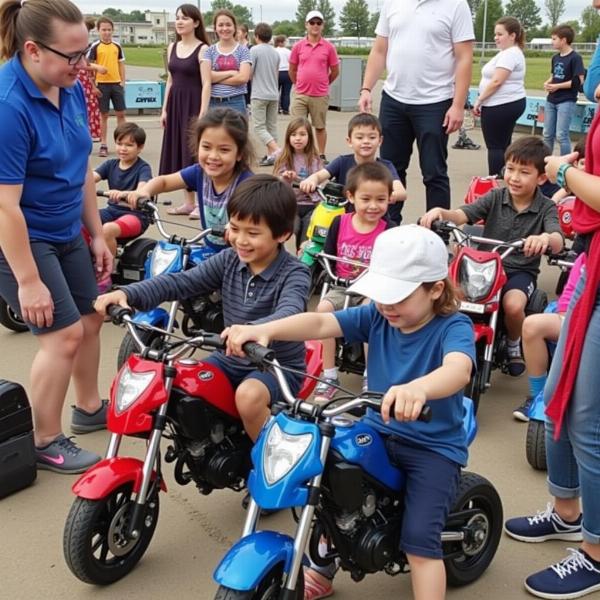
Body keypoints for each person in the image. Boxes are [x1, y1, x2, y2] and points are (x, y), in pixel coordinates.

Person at [224, 224, 476, 600]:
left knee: (421, 544)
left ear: (435, 289)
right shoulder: (378, 315)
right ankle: (322, 568)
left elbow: (459, 368)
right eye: (381, 295)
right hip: (377, 424)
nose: (387, 305)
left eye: (398, 296)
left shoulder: (453, 326)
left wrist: (418, 388)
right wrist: (266, 329)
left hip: (432, 446)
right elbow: (322, 322)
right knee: (329, 482)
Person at [94, 175, 311, 443]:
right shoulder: (229, 259)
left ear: (283, 234)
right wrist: (127, 292)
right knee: (183, 383)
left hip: (276, 365)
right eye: (235, 228)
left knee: (248, 397)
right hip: (229, 358)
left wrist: (255, 331)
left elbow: (290, 310)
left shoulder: (295, 273)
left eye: (253, 233)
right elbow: (182, 281)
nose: (241, 240)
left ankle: (269, 466)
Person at [0, 0, 113, 473]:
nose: (82, 64)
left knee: (91, 318)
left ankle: (88, 408)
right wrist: (28, 281)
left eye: (84, 51)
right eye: (73, 55)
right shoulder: (9, 107)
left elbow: (81, 169)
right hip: (21, 238)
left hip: (68, 227)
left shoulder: (66, 83)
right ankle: (45, 438)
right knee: (62, 335)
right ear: (32, 50)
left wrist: (97, 233)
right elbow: (4, 205)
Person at [420, 136, 564, 377]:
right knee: (444, 294)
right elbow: (462, 214)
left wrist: (545, 239)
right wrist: (440, 212)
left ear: (541, 177)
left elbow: (557, 239)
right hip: (484, 268)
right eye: (510, 169)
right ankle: (440, 338)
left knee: (514, 305)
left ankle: (513, 343)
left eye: (524, 172)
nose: (514, 177)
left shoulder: (546, 206)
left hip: (519, 271)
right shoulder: (496, 196)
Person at [359, 0, 474, 215]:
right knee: (390, 171)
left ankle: (438, 231)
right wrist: (366, 88)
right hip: (394, 99)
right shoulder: (392, 3)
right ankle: (389, 228)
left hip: (434, 102)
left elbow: (464, 57)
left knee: (434, 172)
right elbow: (379, 50)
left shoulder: (456, 5)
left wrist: (458, 105)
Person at [312, 162, 393, 402]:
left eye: (381, 199)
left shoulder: (388, 230)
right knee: (323, 311)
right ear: (351, 196)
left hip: (371, 289)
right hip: (341, 285)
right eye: (365, 199)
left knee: (370, 312)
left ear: (390, 199)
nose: (373, 206)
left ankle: (372, 375)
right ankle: (329, 375)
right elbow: (327, 254)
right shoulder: (340, 222)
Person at [128, 108, 254, 253]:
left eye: (224, 150)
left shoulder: (247, 184)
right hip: (210, 251)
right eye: (206, 147)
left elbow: (255, 217)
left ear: (239, 154)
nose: (213, 156)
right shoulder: (199, 173)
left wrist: (235, 226)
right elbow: (164, 182)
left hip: (240, 256)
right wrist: (144, 191)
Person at [512, 251, 586, 421]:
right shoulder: (588, 256)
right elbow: (568, 295)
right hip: (578, 319)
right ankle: (538, 396)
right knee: (532, 325)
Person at [299, 112, 407, 222]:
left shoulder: (386, 167)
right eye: (360, 137)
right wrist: (312, 180)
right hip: (344, 220)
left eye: (372, 137)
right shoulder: (342, 162)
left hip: (376, 219)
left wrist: (392, 194)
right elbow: (319, 175)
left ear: (380, 141)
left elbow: (401, 191)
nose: (366, 141)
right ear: (349, 141)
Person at [160, 4, 211, 219]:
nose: (179, 22)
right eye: (177, 17)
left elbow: (207, 83)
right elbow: (170, 80)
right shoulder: (172, 47)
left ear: (196, 23)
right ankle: (188, 203)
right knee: (180, 150)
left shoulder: (203, 49)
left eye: (185, 18)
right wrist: (164, 109)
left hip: (193, 104)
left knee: (194, 153)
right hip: (175, 106)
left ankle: (201, 203)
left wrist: (202, 114)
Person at [472, 17, 527, 177]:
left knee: (495, 145)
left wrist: (479, 100)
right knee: (503, 143)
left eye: (500, 34)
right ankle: (505, 174)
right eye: (495, 34)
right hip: (506, 103)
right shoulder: (508, 53)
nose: (496, 38)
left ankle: (495, 178)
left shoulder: (510, 54)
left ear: (513, 36)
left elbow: (497, 81)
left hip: (500, 104)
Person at [93, 122, 153, 260]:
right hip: (111, 212)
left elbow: (142, 190)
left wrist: (124, 194)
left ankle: (108, 271)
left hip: (136, 216)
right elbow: (90, 179)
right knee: (79, 222)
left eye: (129, 145)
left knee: (108, 229)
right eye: (119, 144)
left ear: (140, 147)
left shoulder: (143, 168)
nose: (123, 149)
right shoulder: (110, 164)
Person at [289, 9, 339, 163]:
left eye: (318, 23)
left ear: (322, 25)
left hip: (320, 94)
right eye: (312, 22)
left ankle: (321, 155)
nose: (315, 25)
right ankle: (298, 154)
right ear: (306, 25)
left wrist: (324, 82)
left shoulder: (329, 47)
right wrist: (297, 84)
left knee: (319, 127)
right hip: (301, 94)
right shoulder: (298, 46)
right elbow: (292, 69)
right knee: (297, 127)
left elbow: (335, 70)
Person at [274, 116, 323, 250]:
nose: (298, 138)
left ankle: (302, 258)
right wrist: (286, 178)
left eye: (302, 134)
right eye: (293, 134)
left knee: (307, 235)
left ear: (309, 137)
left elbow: (317, 184)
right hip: (291, 205)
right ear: (288, 138)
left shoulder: (314, 159)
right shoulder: (283, 157)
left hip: (310, 205)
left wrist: (299, 180)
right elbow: (277, 187)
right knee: (292, 230)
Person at [543, 24, 586, 157]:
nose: (552, 42)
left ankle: (564, 164)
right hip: (551, 99)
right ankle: (545, 162)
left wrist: (557, 86)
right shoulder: (555, 58)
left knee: (561, 135)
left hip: (566, 100)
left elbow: (578, 81)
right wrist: (548, 82)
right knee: (547, 134)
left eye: (554, 39)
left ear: (564, 40)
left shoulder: (575, 58)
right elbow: (554, 75)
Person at [88, 16, 126, 158]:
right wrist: (93, 86)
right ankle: (103, 144)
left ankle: (122, 141)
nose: (107, 32)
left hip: (116, 84)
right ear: (98, 31)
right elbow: (88, 65)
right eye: (104, 30)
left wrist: (122, 82)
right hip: (102, 85)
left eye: (109, 30)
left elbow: (121, 64)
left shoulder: (117, 46)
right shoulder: (95, 47)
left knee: (121, 114)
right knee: (103, 115)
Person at [205, 9, 252, 115]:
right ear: (215, 28)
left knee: (237, 132)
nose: (224, 28)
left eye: (228, 25)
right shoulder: (209, 50)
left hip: (236, 102)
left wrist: (215, 78)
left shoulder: (243, 50)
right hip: (213, 103)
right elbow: (206, 77)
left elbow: (243, 78)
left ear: (234, 27)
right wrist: (231, 73)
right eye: (220, 25)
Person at [249, 23, 281, 167]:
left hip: (259, 94)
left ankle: (278, 152)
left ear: (256, 36)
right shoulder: (275, 52)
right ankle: (271, 156)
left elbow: (249, 73)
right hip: (273, 94)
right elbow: (276, 72)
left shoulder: (254, 50)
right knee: (271, 126)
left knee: (259, 127)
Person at [76, 17, 104, 142]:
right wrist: (96, 67)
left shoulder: (84, 43)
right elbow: (79, 63)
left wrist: (92, 85)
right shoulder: (75, 42)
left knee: (89, 109)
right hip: (76, 79)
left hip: (84, 81)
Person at [552, 137, 586, 203]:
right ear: (576, 163)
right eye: (583, 163)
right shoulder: (574, 181)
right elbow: (555, 198)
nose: (587, 168)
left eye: (592, 164)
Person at [274, 35, 292, 115]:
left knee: (275, 91)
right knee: (286, 93)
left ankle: (275, 108)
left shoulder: (274, 51)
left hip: (277, 72)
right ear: (282, 42)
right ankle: (285, 109)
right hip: (287, 72)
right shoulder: (288, 51)